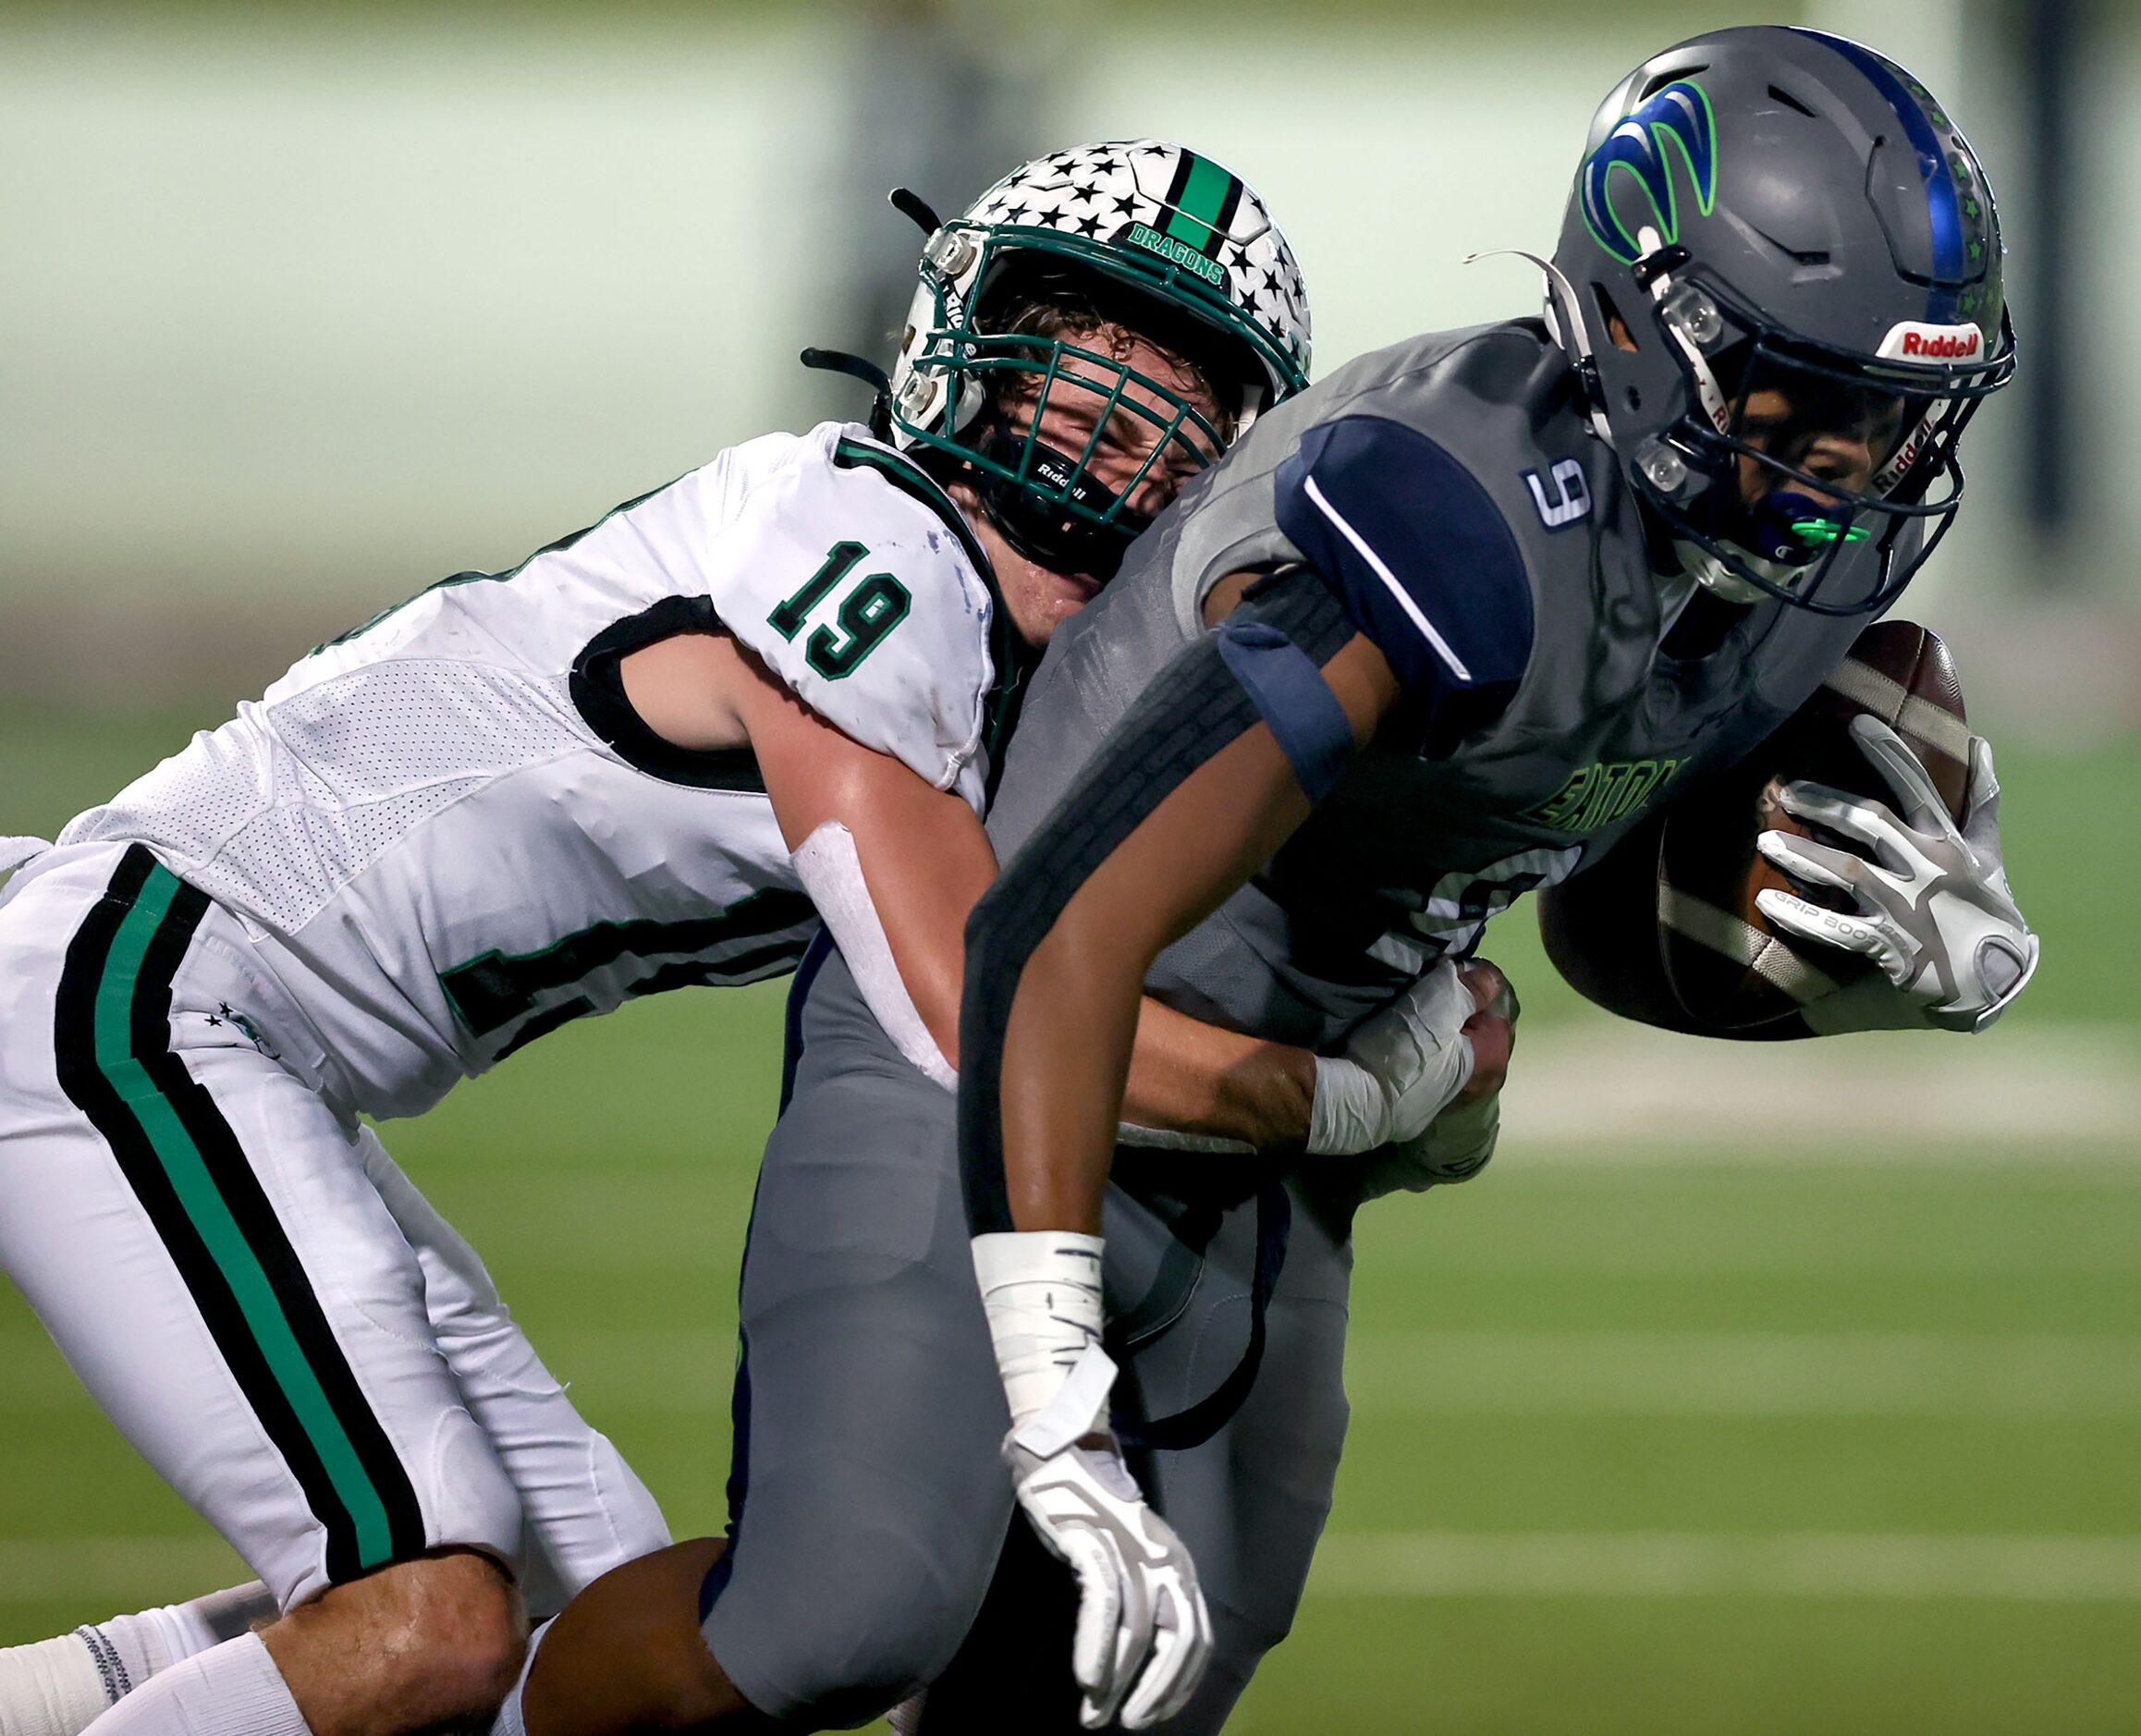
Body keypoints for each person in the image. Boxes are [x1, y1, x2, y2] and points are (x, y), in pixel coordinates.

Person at [0, 142, 1454, 1736]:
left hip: (231, 1030)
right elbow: (982, 1019)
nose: (1105, 470)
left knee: (601, 1640)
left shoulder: (1012, 667)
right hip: (144, 991)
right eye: (1076, 402)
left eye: (1164, 434)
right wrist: (1342, 1096)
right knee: (423, 1624)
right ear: (964, 367)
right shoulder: (872, 543)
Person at [948, 25, 2038, 1727]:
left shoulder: (1787, 568)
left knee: (1178, 1643)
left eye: (1894, 425)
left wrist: (1885, 954)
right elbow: (1037, 936)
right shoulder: (1458, 515)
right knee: (844, 1603)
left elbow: (1609, 905)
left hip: (1283, 1091)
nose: (1850, 478)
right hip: (1037, 1037)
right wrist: (1344, 1102)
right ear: (1648, 333)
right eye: (1806, 407)